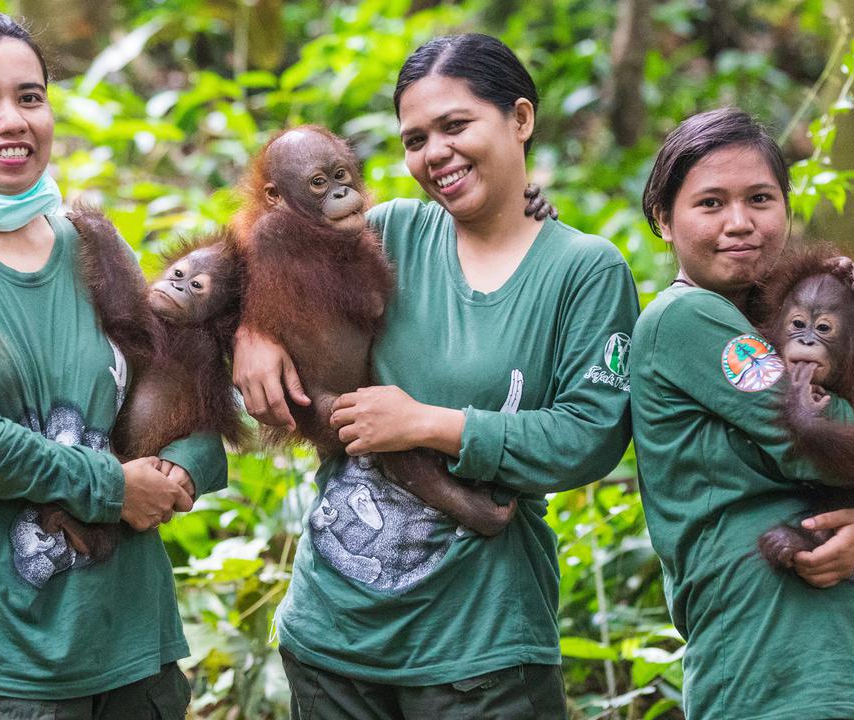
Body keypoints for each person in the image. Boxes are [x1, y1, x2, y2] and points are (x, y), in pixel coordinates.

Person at [235, 34, 638, 719]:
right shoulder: (390, 232)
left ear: (520, 118)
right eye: (415, 139)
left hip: (478, 649)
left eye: (455, 125)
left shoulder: (584, 270)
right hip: (331, 638)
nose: (435, 153)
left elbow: (590, 437)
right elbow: (263, 250)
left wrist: (427, 424)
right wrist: (252, 331)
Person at [0, 12, 223, 718]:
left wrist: (185, 466)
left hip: (135, 656)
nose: (13, 121)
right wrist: (111, 486)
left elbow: (177, 382)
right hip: (0, 670)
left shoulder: (91, 245)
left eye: (30, 97)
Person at [629, 107, 854, 719]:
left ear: (786, 205)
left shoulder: (797, 315)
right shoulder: (685, 318)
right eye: (710, 204)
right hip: (775, 662)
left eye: (760, 199)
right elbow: (836, 444)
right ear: (664, 220)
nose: (740, 223)